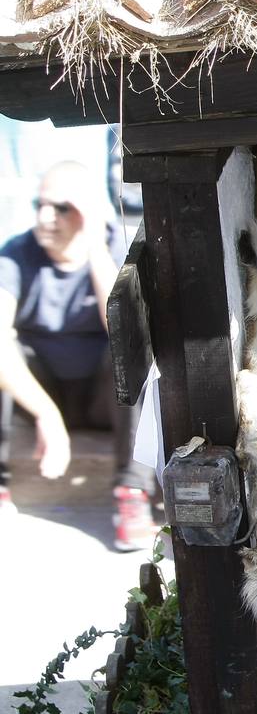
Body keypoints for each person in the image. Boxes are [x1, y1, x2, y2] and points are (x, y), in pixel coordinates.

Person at [0, 161, 155, 550]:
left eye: (61, 207)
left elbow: (121, 329)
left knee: (129, 350)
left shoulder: (118, 248)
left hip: (106, 400)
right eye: (40, 205)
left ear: (87, 210)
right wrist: (46, 414)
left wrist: (93, 250)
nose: (44, 217)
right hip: (43, 394)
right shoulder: (17, 254)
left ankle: (132, 493)